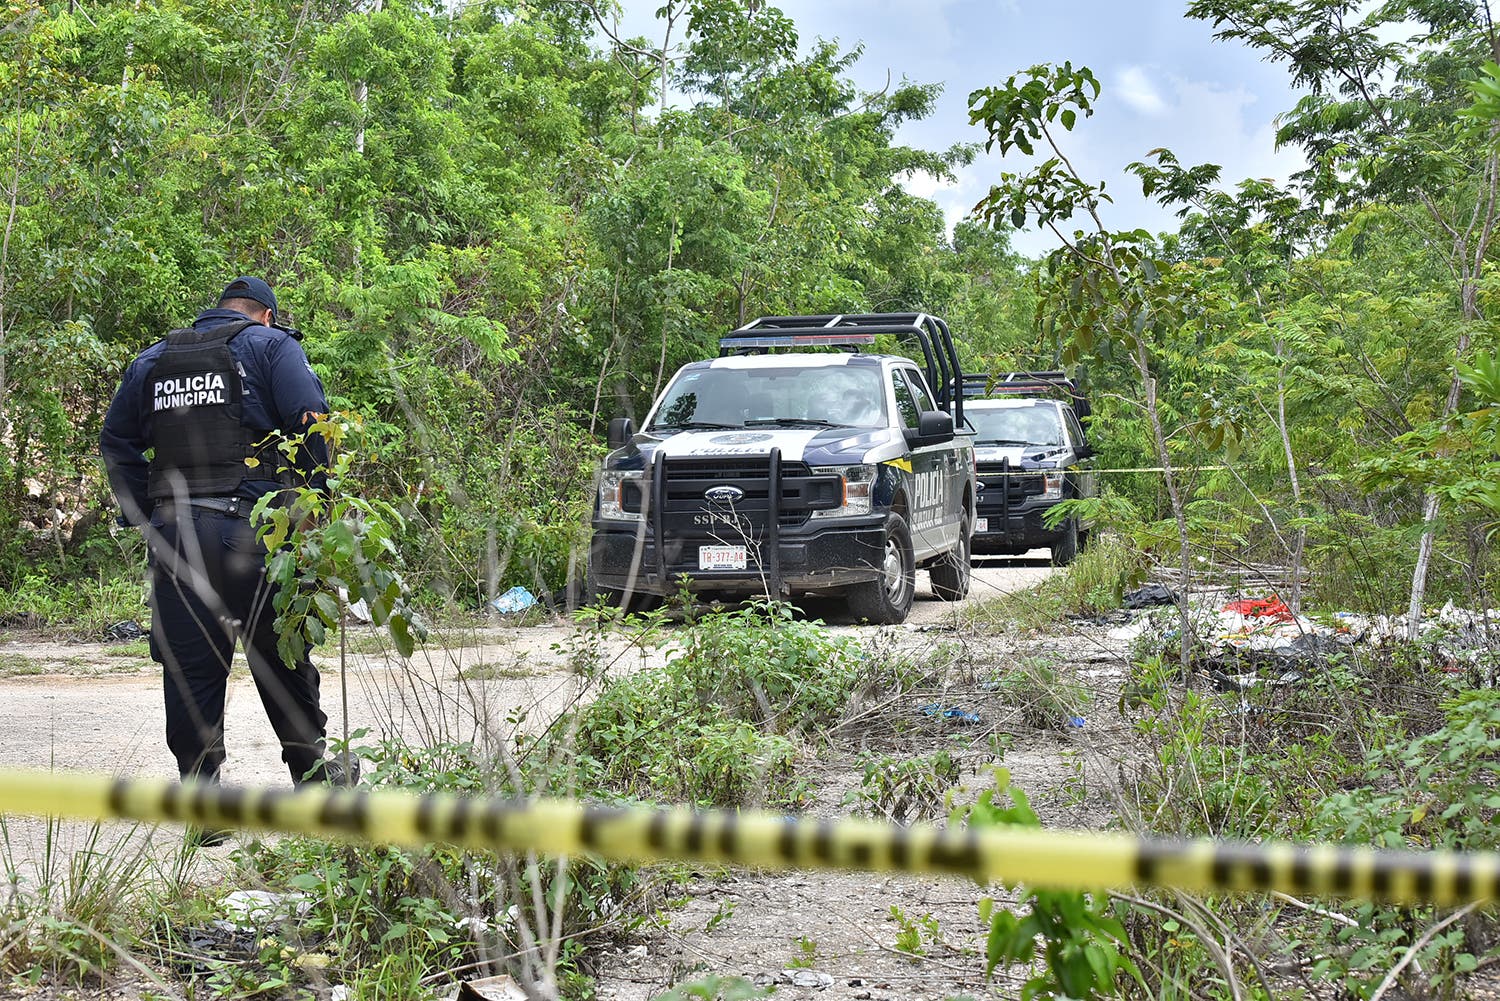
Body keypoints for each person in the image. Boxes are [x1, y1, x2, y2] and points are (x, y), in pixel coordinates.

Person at [100, 277, 349, 819]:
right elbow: (314, 426)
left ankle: (202, 800)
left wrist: (146, 517)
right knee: (282, 658)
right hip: (255, 534)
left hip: (175, 538)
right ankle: (312, 784)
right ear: (266, 315)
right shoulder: (273, 347)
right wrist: (314, 515)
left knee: (190, 670)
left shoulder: (154, 360)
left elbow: (116, 442)